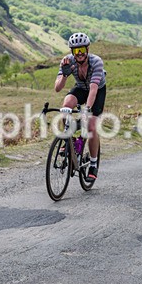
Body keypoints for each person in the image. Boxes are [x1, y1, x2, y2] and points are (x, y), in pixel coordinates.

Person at [54, 32, 106, 181]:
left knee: (91, 126)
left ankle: (93, 164)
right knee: (66, 106)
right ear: (72, 52)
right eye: (76, 50)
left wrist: (87, 110)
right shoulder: (67, 61)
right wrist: (64, 75)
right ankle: (68, 140)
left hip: (97, 90)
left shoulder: (96, 62)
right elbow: (57, 88)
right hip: (81, 88)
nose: (80, 53)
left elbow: (94, 90)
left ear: (87, 49)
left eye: (82, 49)